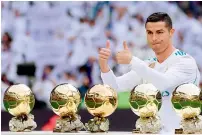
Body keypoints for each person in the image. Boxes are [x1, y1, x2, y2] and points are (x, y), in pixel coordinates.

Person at [99, 12, 200, 132]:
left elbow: (164, 83)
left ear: (171, 32)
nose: (154, 38)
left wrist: (132, 60)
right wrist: (104, 66)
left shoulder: (185, 61)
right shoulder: (147, 65)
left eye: (159, 32)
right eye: (150, 33)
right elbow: (115, 87)